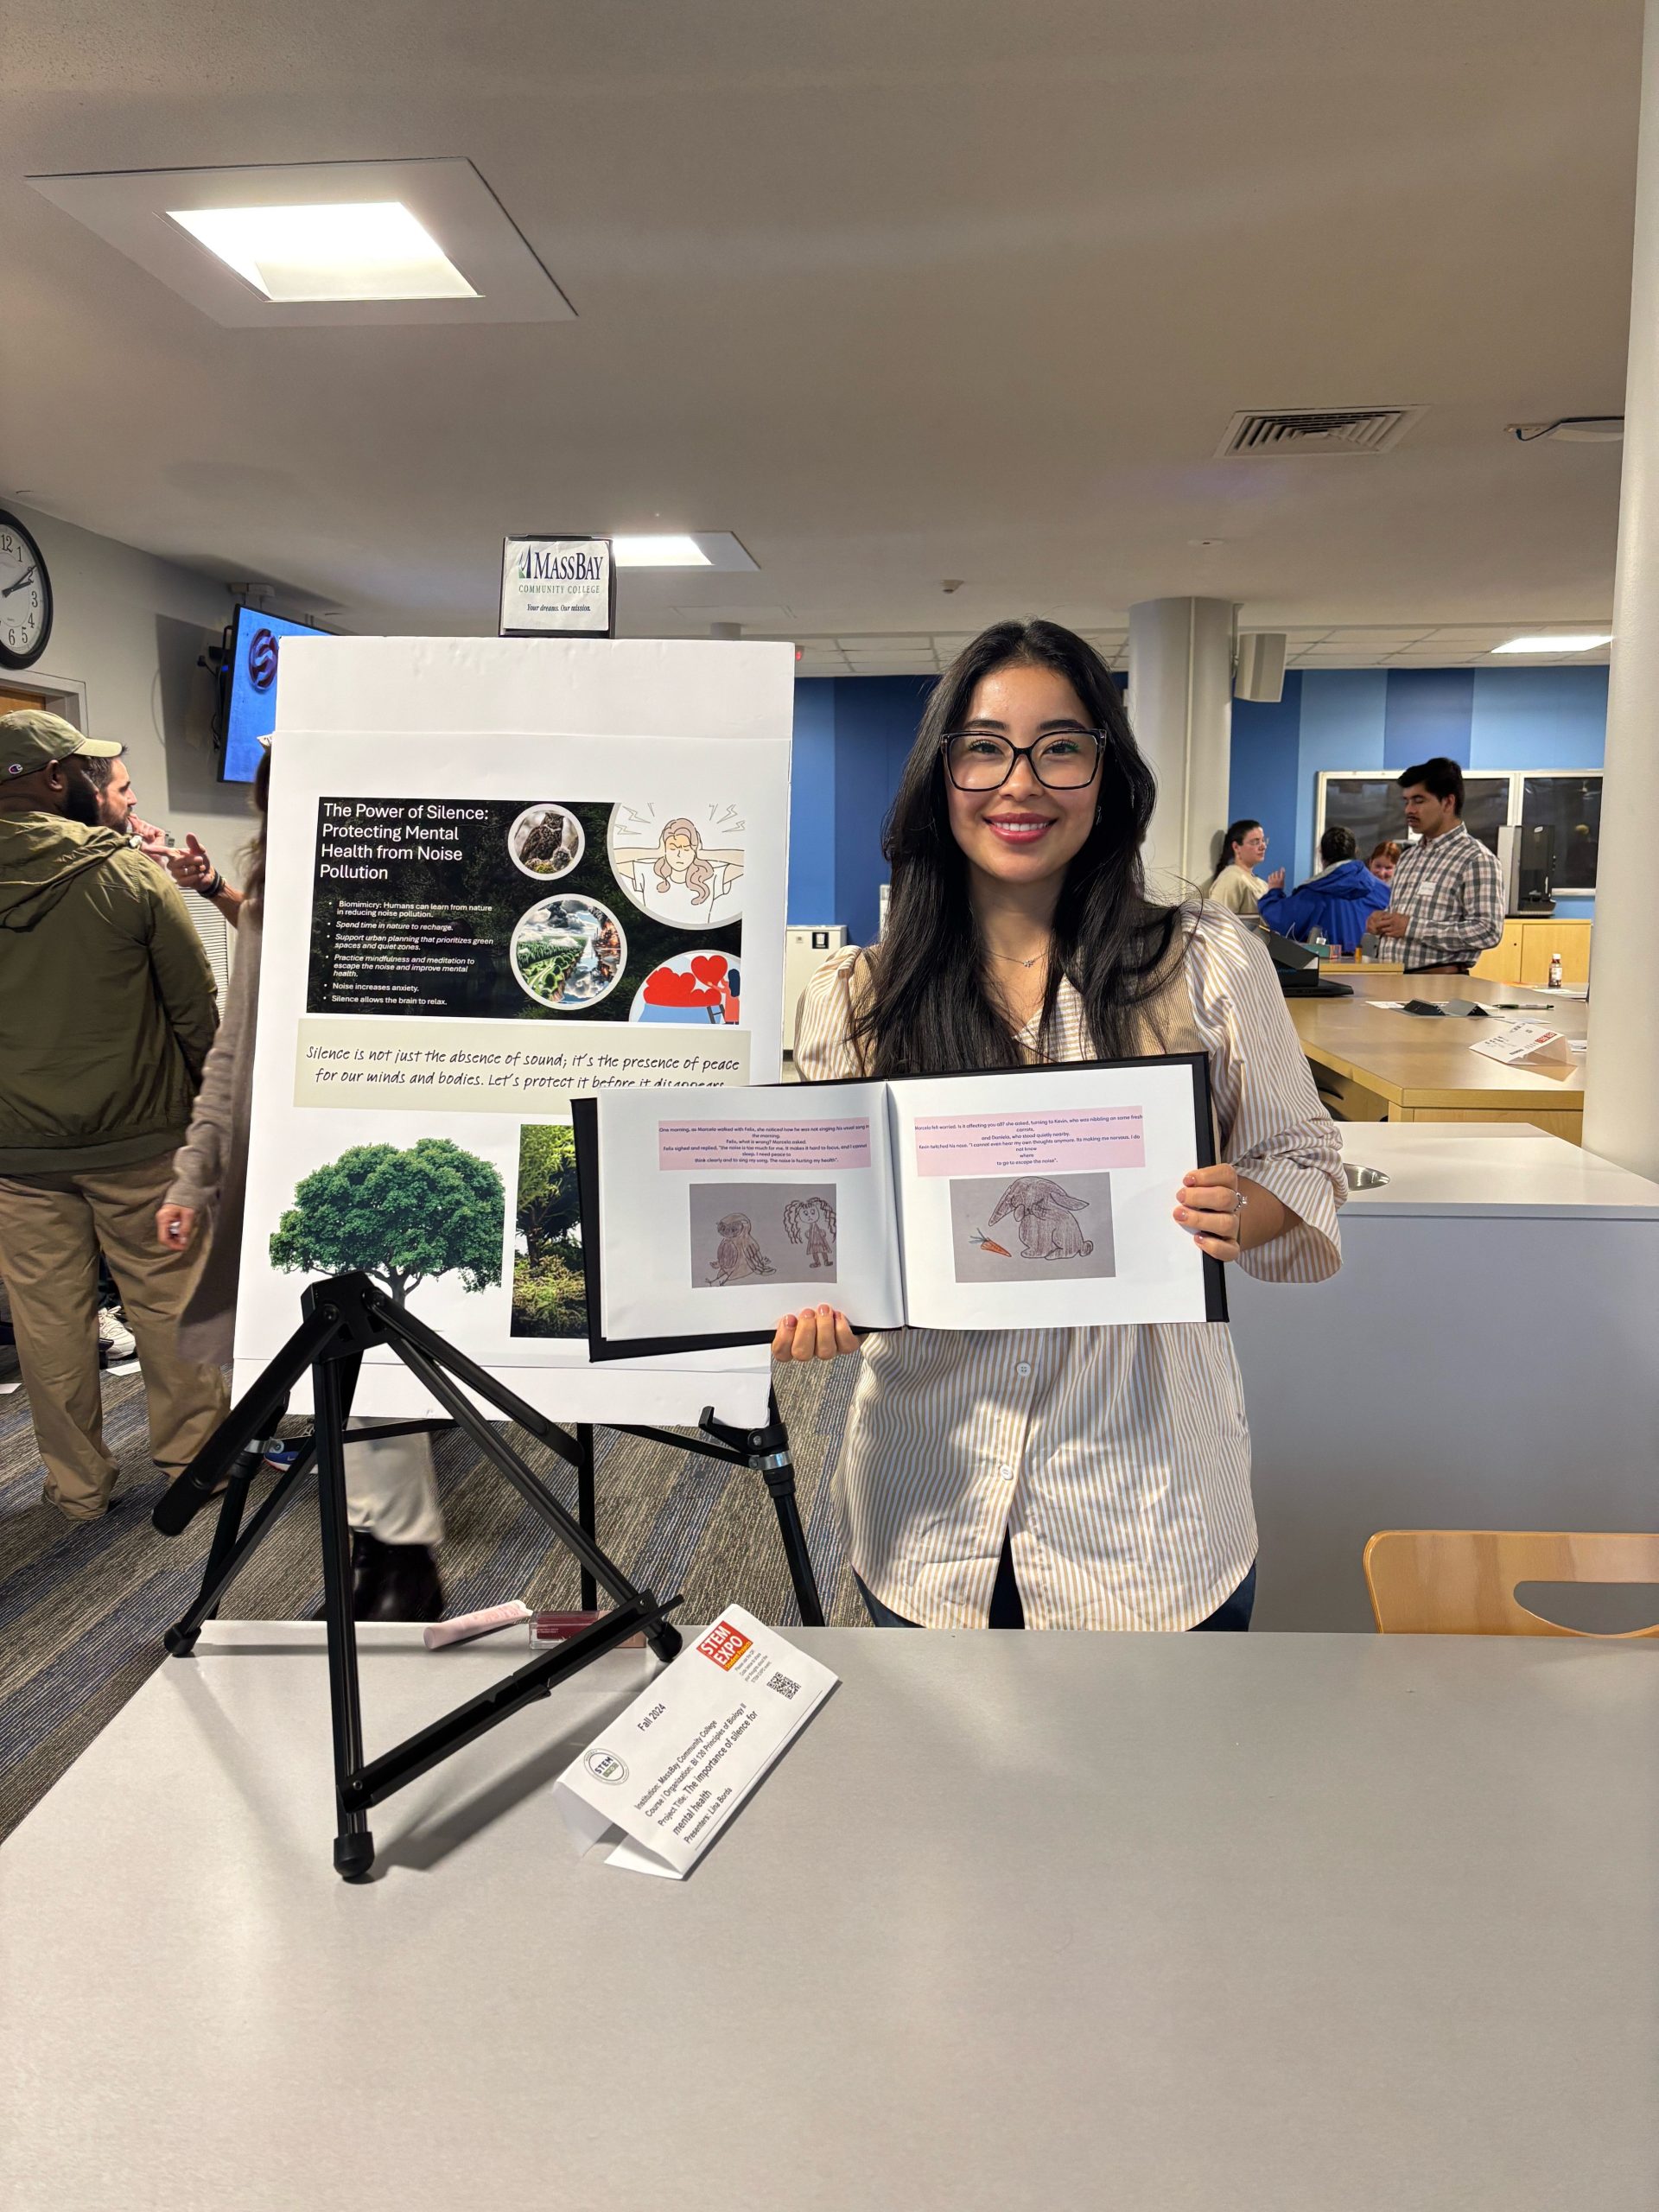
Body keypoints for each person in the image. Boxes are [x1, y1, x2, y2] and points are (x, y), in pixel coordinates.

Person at [783, 620, 1344, 1632]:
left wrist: (1241, 1208)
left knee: (1155, 1789)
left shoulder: (1208, 963)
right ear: (939, 774)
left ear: (1107, 771)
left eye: (1062, 746)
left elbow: (1302, 1156)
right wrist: (823, 1294)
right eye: (985, 746)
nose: (1021, 782)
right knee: (936, 1784)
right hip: (928, 1507)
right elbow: (848, 1236)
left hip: (1149, 1513)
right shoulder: (857, 997)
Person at [156, 748, 448, 1618]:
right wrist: (194, 1175)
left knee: (368, 1367)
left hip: (386, 1153)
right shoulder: (270, 906)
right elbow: (232, 1052)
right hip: (292, 1163)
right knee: (331, 1370)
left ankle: (398, 1561)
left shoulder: (414, 889)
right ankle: (387, 1559)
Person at [0, 709, 229, 1521]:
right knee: (168, 1307)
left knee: (49, 1327)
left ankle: (77, 1490)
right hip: (141, 1142)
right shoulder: (128, 877)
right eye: (89, 773)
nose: (106, 787)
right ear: (56, 782)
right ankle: (193, 1468)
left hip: (18, 1155)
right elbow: (197, 1012)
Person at [1366, 759, 1504, 975]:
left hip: (1439, 986)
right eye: (1406, 801)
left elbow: (1487, 931)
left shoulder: (1476, 859)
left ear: (1448, 803)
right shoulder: (1408, 857)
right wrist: (1381, 920)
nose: (1409, 810)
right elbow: (1406, 916)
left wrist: (1412, 928)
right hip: (1391, 979)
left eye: (1419, 801)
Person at [1257, 825, 1390, 956]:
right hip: (1373, 972)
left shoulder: (1312, 894)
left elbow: (1279, 919)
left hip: (1327, 971)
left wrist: (1274, 892)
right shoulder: (1384, 892)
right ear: (1355, 851)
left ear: (1321, 854)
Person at [1208, 818, 1285, 915]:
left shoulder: (1262, 884)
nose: (1263, 846)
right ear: (1236, 847)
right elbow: (1218, 923)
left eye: (1263, 840)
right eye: (1255, 842)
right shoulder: (1231, 878)